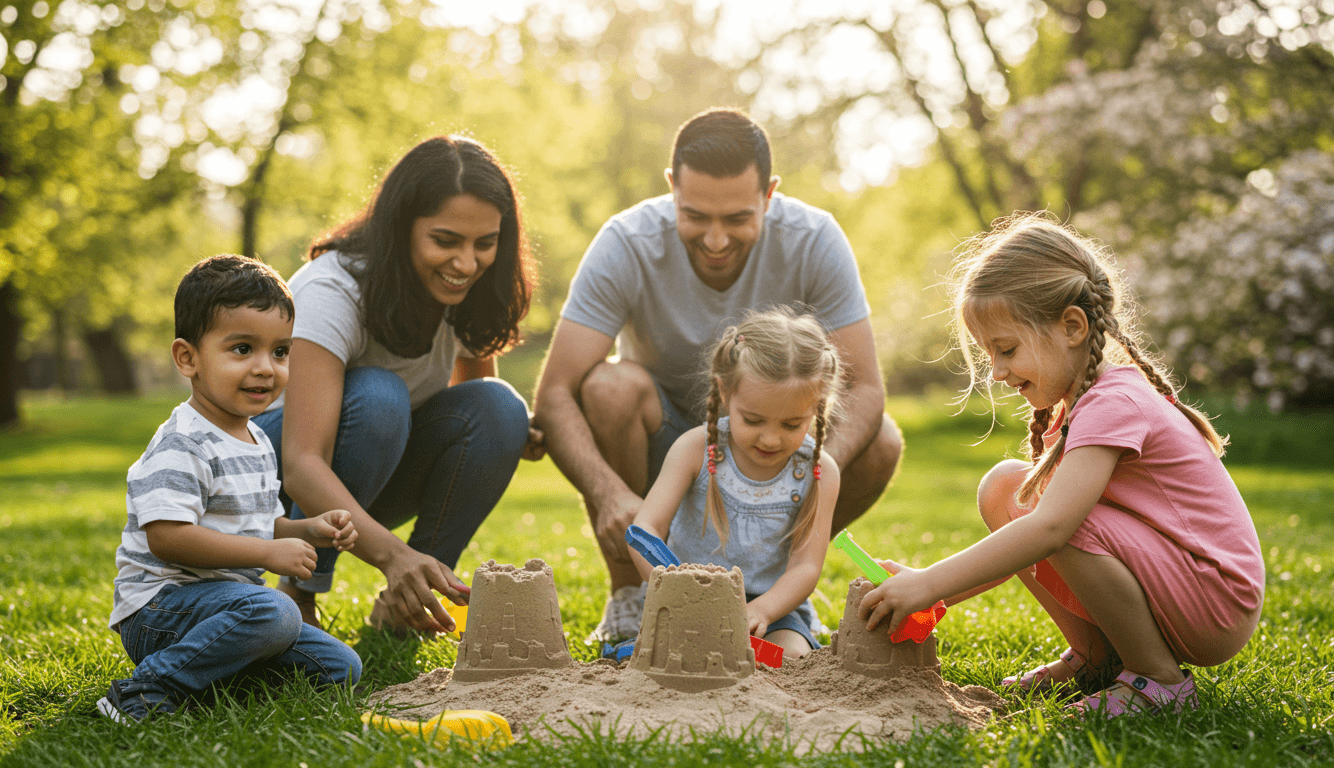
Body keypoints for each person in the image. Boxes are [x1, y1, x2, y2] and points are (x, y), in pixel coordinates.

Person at [861, 215, 1264, 716]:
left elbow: (1051, 529)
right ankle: (1098, 658)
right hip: (1182, 586)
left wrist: (928, 583)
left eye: (1006, 349)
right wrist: (932, 590)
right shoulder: (1082, 405)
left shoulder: (1114, 402)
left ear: (1072, 327)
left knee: (1059, 519)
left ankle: (1160, 683)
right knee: (1006, 488)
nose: (997, 372)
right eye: (990, 355)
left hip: (1213, 600)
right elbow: (1033, 535)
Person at [534, 108, 903, 644]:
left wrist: (811, 478)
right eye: (695, 216)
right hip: (667, 439)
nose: (714, 239)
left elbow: (865, 387)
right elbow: (555, 393)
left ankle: (778, 586)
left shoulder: (815, 238)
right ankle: (632, 595)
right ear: (672, 187)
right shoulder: (627, 240)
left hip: (782, 456)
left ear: (769, 195)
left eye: (736, 219)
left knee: (883, 440)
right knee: (609, 388)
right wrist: (608, 493)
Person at [252, 136, 539, 635]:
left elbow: (480, 411)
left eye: (484, 243)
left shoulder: (463, 290)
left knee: (502, 408)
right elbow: (301, 465)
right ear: (401, 227)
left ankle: (411, 598)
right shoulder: (331, 289)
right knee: (380, 397)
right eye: (445, 241)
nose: (466, 263)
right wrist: (391, 554)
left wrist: (515, 433)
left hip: (368, 477)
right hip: (268, 486)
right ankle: (300, 590)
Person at [102, 255, 362, 724]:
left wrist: (308, 529)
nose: (266, 368)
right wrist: (267, 555)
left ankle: (214, 680)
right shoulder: (183, 442)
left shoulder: (257, 438)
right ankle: (145, 688)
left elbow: (260, 524)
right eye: (243, 349)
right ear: (188, 358)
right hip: (162, 611)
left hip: (233, 610)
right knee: (279, 612)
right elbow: (168, 538)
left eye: (280, 352)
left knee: (341, 666)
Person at [629, 310, 842, 658]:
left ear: (817, 406)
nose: (770, 439)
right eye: (753, 420)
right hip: (686, 599)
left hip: (771, 606)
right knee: (679, 657)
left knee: (790, 658)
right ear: (724, 391)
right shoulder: (695, 449)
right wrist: (676, 592)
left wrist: (763, 611)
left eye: (791, 425)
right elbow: (645, 530)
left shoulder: (819, 471)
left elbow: (805, 567)